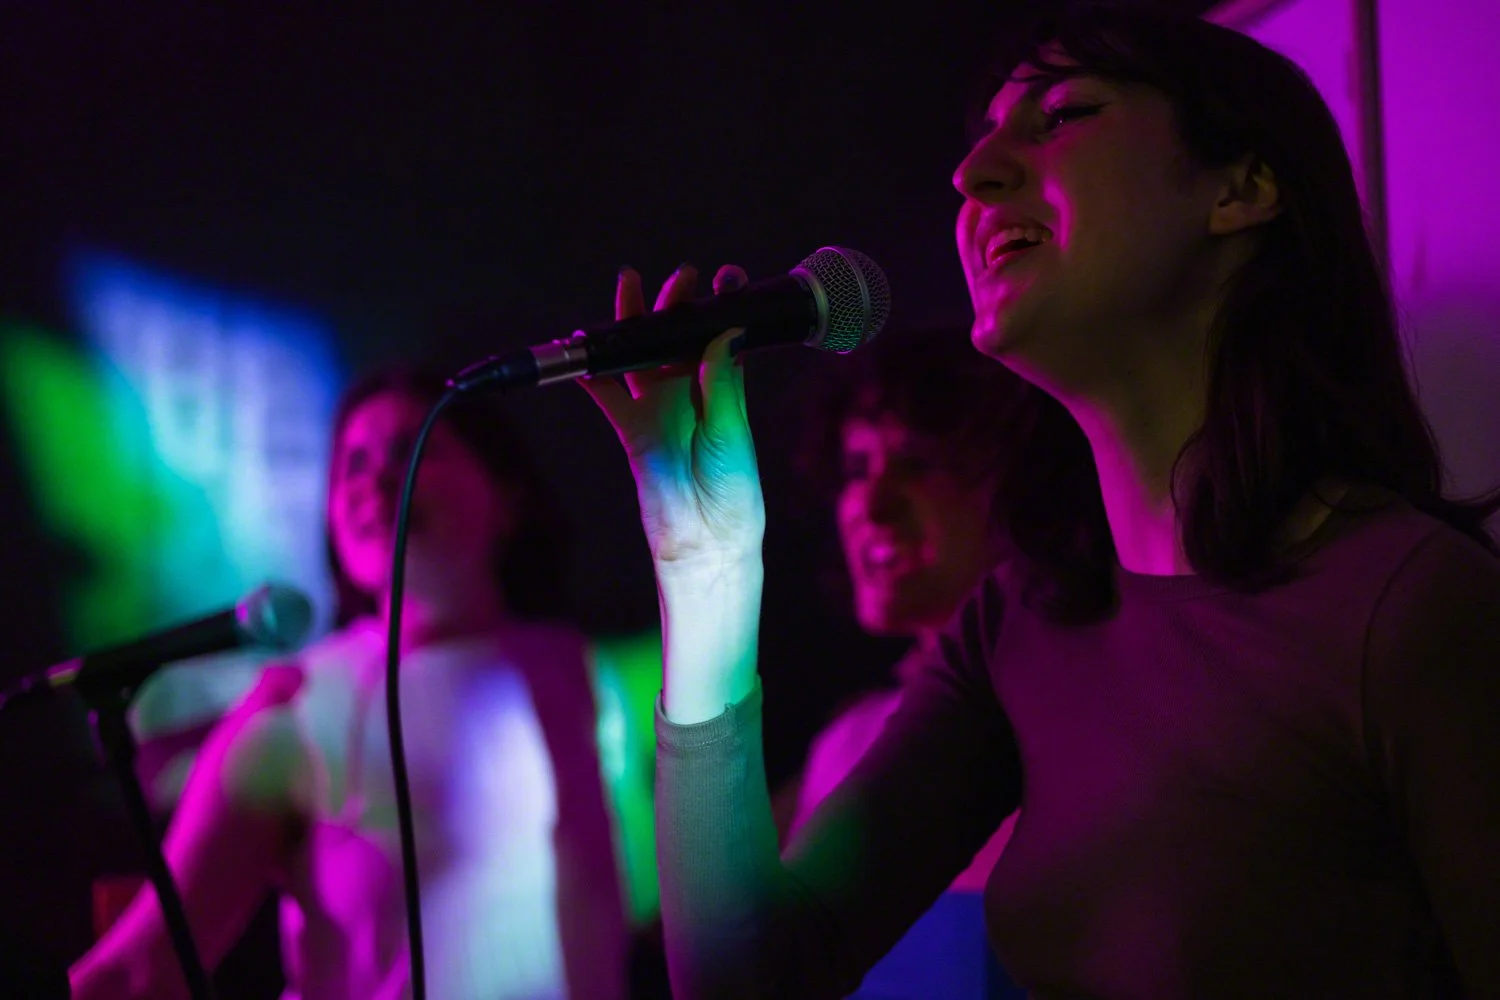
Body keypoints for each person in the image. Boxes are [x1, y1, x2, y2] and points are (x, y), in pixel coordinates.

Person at [581, 3, 1500, 997]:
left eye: (1061, 114)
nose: (973, 173)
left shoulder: (1412, 609)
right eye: (983, 138)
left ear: (1242, 186)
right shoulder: (1019, 626)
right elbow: (750, 977)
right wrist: (705, 573)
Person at [71, 368, 629, 1000]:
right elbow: (138, 971)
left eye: (414, 450)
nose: (377, 481)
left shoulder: (579, 671)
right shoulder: (299, 703)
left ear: (505, 497)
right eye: (352, 465)